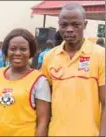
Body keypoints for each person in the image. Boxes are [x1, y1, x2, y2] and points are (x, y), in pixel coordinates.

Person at [41, 3, 105, 136]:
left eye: (76, 25)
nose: (69, 29)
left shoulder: (101, 55)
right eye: (64, 25)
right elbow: (45, 103)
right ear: (59, 25)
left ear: (85, 24)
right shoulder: (49, 57)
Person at [0, 28, 51, 136]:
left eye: (23, 49)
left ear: (30, 52)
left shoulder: (39, 80)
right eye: (13, 49)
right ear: (6, 51)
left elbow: (43, 122)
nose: (17, 53)